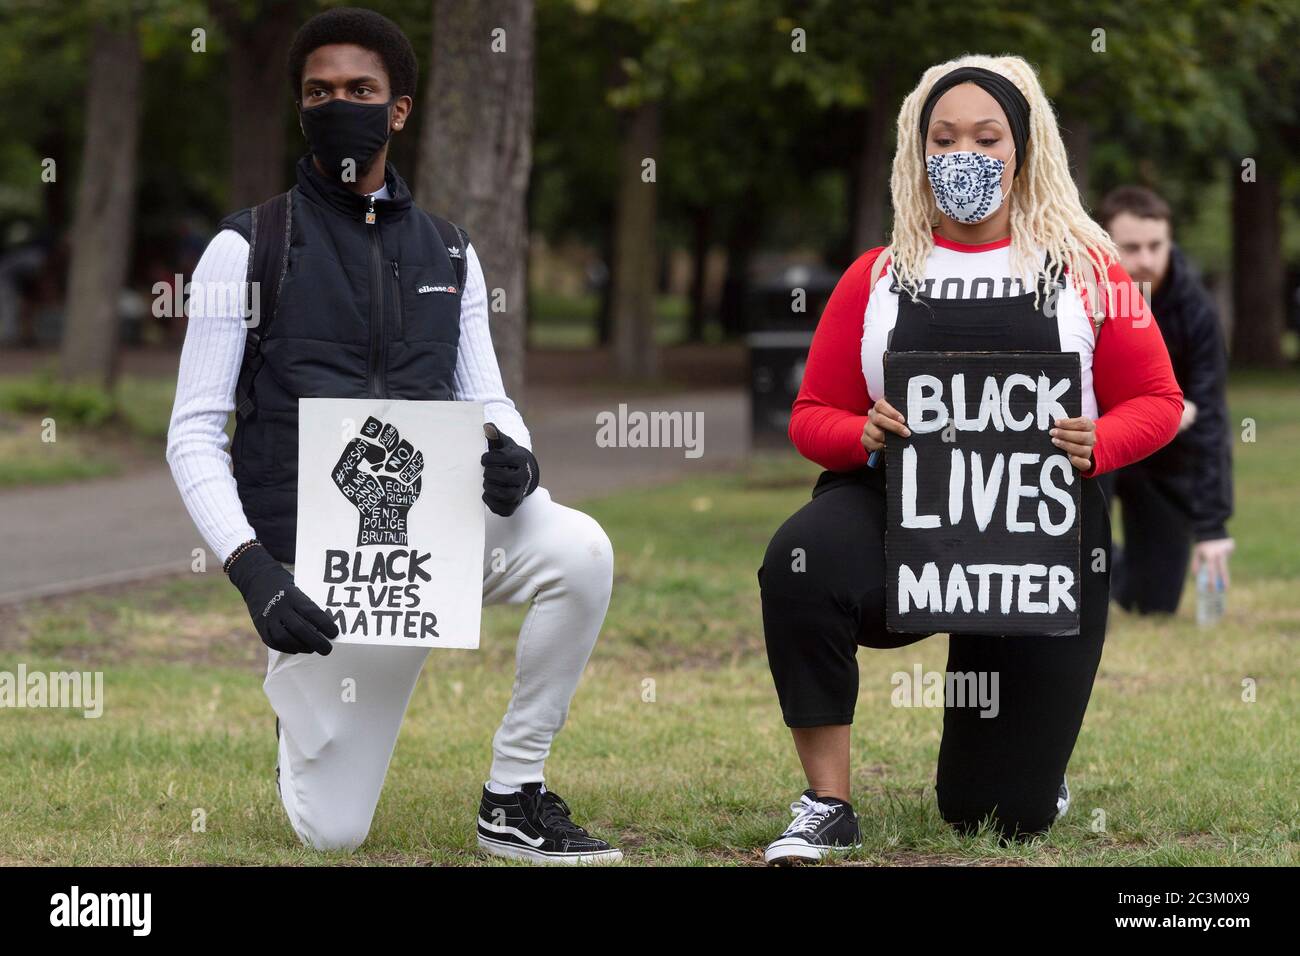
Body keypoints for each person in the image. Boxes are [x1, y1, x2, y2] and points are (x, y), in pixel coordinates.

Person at [166, 7, 620, 864]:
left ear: (398, 110)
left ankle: (513, 794)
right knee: (334, 835)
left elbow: (487, 397)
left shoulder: (452, 253)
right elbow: (192, 433)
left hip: (434, 547)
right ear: (302, 110)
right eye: (320, 92)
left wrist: (514, 458)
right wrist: (253, 569)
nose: (341, 104)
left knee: (579, 548)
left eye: (361, 90)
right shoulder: (246, 246)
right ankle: (298, 712)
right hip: (316, 580)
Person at [756, 54, 1184, 864]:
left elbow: (1159, 402)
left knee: (995, 815)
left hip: (1039, 540)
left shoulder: (1091, 270)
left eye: (988, 139)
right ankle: (825, 802)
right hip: (897, 518)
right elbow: (812, 415)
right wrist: (863, 435)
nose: (965, 157)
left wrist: (1105, 442)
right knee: (799, 563)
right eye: (944, 139)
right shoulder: (875, 276)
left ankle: (1031, 769)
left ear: (1023, 151)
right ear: (917, 153)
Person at [1096, 186, 1234, 614]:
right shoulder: (1077, 292)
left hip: (1163, 454)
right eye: (1131, 248)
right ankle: (1086, 561)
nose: (1147, 260)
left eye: (1157, 245)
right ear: (1105, 243)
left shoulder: (1196, 309)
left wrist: (1212, 527)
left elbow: (1210, 417)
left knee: (1151, 603)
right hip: (1091, 446)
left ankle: (1117, 568)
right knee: (1075, 578)